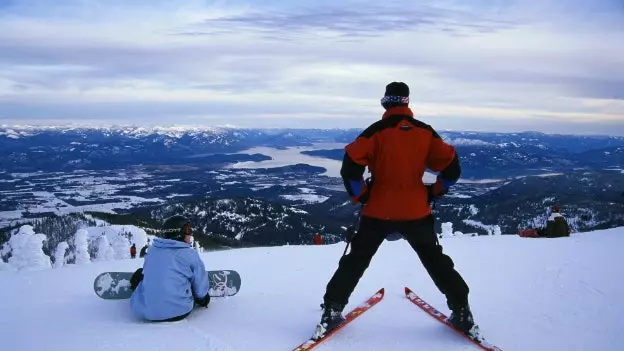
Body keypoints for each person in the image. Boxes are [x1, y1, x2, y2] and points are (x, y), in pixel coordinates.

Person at [313, 82, 476, 339]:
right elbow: (452, 170)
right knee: (435, 260)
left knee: (355, 261)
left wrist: (361, 196)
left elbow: (350, 167)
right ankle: (462, 311)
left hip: (377, 211)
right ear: (407, 103)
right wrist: (433, 192)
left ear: (385, 103)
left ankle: (332, 310)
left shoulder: (376, 132)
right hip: (416, 212)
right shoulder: (425, 132)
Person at [129, 215, 211, 322]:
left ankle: (146, 294)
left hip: (145, 312)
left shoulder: (152, 251)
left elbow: (147, 272)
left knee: (141, 274)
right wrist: (204, 299)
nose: (190, 234)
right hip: (180, 311)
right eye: (188, 230)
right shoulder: (190, 254)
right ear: (179, 233)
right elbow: (200, 291)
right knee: (192, 281)